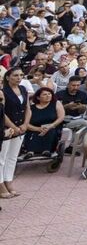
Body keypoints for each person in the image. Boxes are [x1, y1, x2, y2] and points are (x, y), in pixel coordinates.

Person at [1, 66, 30, 198]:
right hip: (8, 128)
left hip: (20, 127)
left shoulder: (23, 89)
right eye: (15, 75)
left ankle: (9, 181)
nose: (19, 78)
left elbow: (28, 108)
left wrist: (25, 124)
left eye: (20, 75)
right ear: (8, 77)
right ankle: (1, 185)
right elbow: (2, 113)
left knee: (12, 158)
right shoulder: (3, 91)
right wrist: (13, 127)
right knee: (2, 159)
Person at [20, 86, 65, 161]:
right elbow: (26, 122)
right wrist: (37, 129)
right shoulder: (32, 108)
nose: (48, 96)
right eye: (45, 94)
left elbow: (61, 117)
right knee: (31, 133)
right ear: (38, 97)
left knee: (50, 131)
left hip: (51, 126)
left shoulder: (56, 103)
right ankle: (30, 151)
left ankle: (47, 150)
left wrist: (51, 126)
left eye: (49, 94)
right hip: (34, 128)